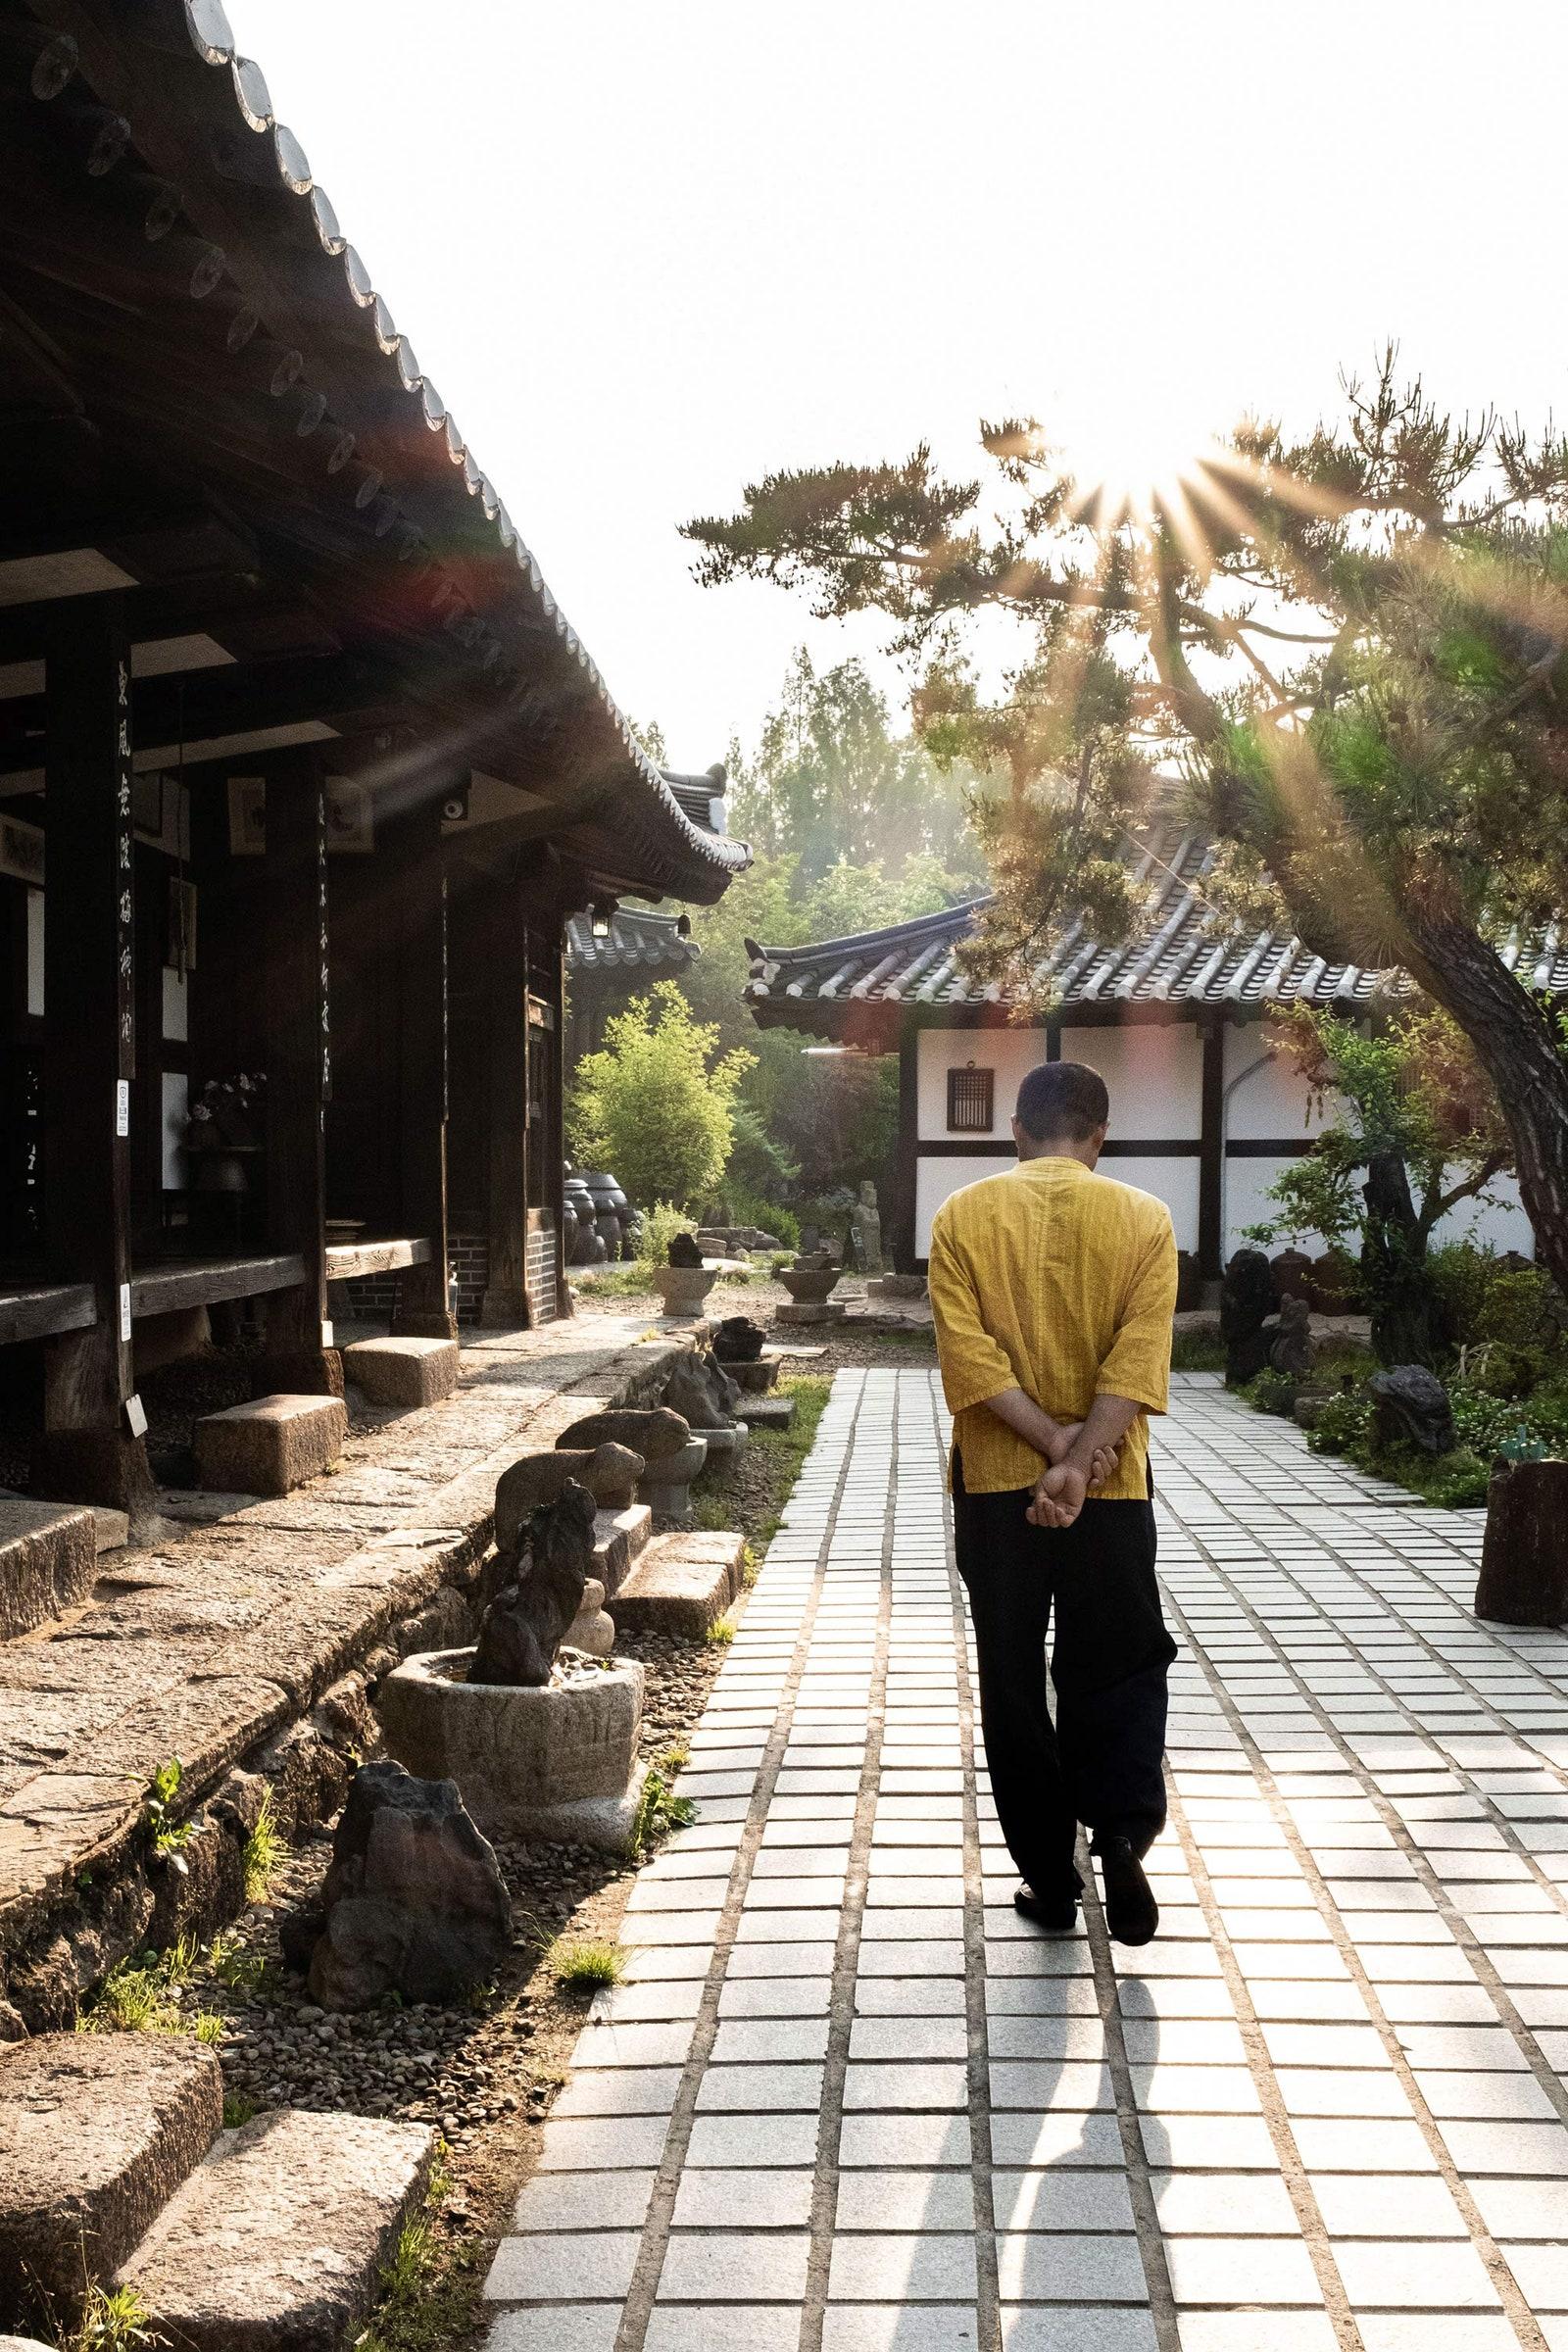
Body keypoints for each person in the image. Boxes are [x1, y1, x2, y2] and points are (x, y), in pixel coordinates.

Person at [927, 1059, 1178, 1945]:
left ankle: (1048, 1876)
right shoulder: (1146, 1219)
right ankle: (1117, 1830)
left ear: (1019, 1133)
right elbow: (1139, 1359)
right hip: (1111, 1486)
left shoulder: (962, 1216)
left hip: (1001, 1487)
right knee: (1119, 1658)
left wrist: (1046, 1452)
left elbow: (971, 1361)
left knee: (1011, 1672)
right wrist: (1082, 1458)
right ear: (1099, 1136)